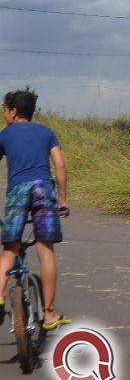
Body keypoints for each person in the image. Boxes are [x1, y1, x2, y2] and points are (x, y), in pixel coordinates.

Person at [0, 88, 70, 330]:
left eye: (4, 110)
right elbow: (60, 166)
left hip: (18, 191)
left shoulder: (5, 135)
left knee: (10, 248)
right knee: (45, 247)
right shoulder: (47, 133)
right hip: (43, 188)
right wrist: (62, 199)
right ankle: (49, 314)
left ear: (12, 111)